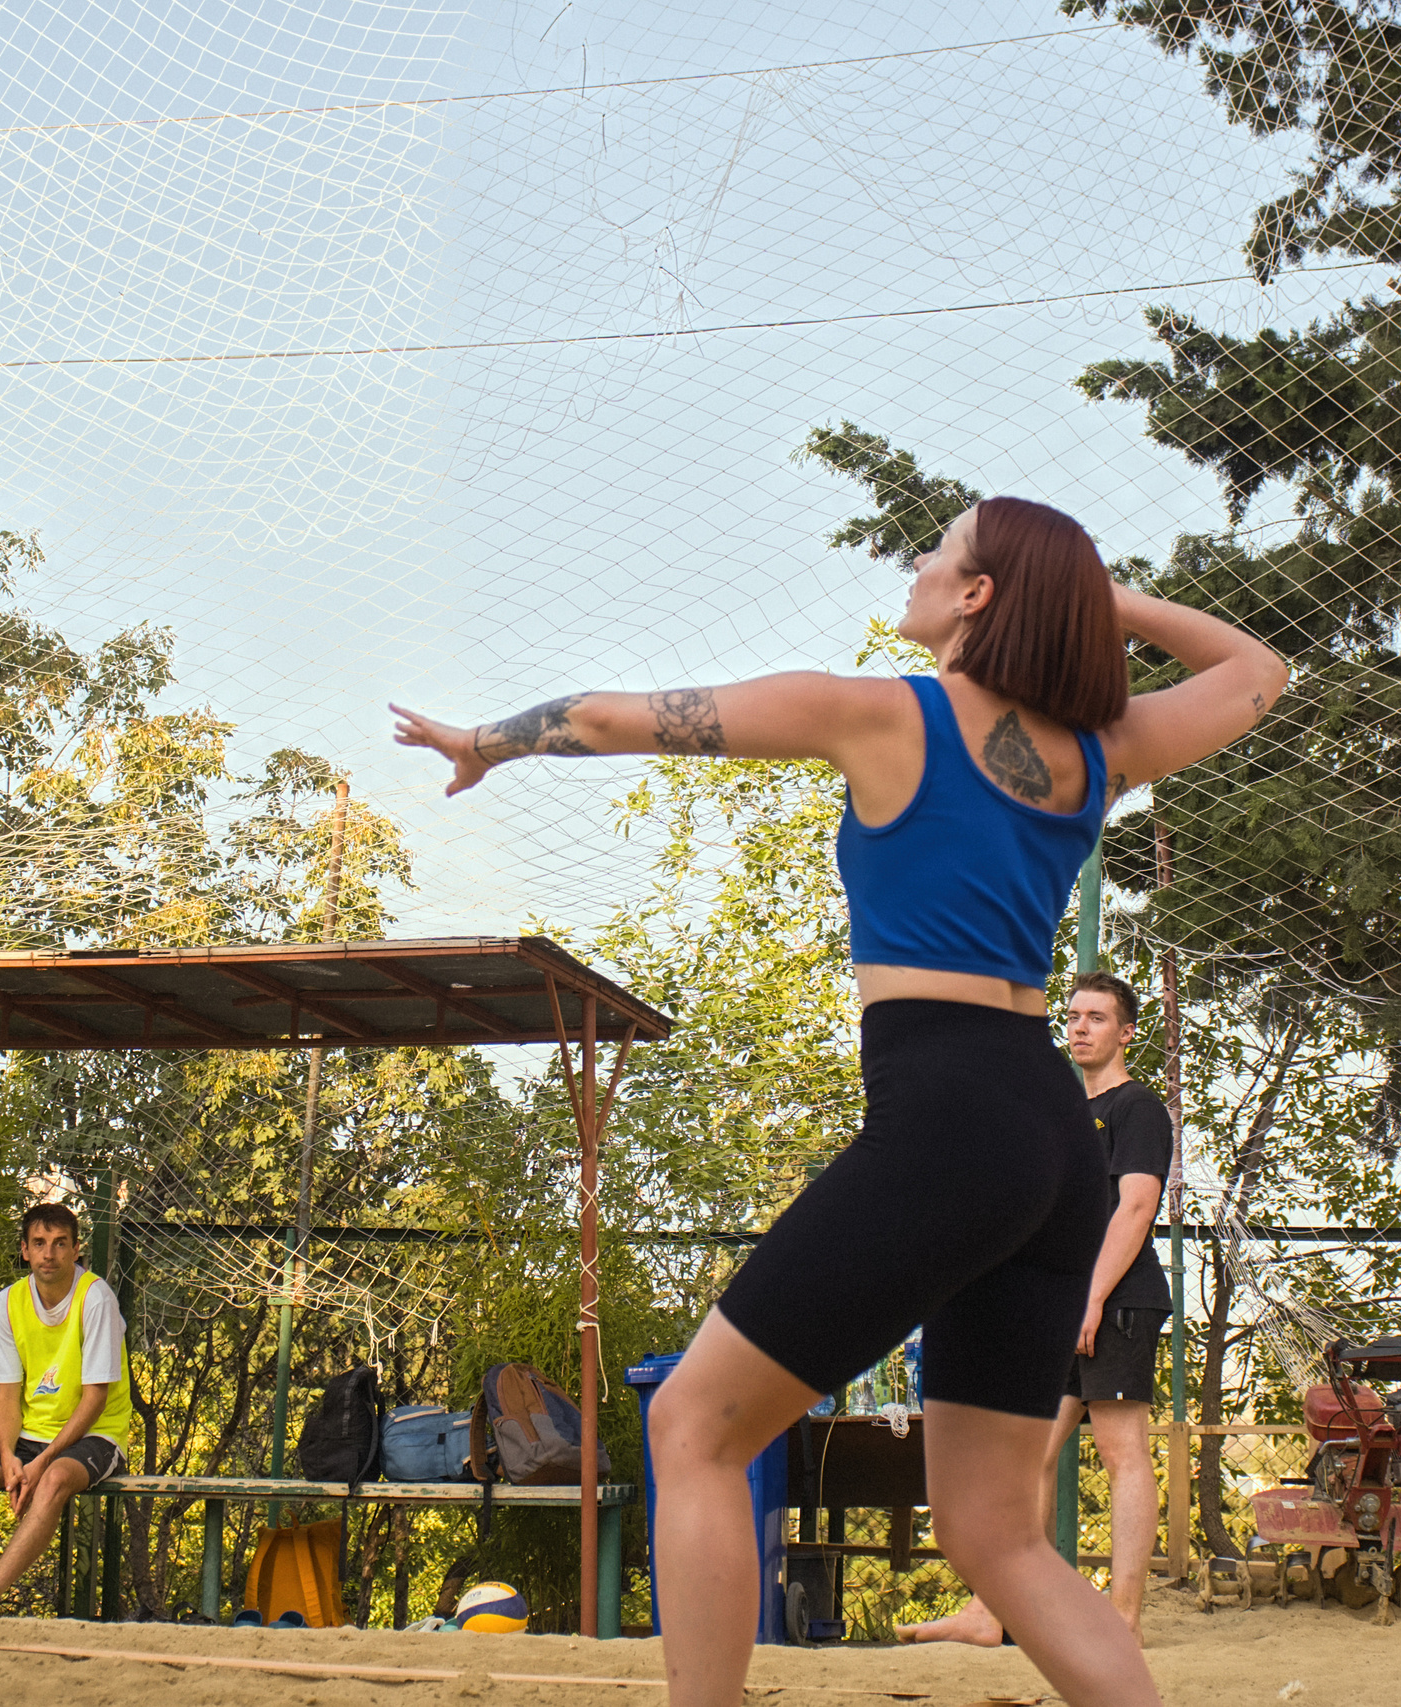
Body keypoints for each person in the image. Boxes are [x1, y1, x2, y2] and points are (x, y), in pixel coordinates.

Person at [394, 496, 1283, 1707]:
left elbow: (606, 719)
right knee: (995, 1533)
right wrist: (1095, 598)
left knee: (693, 1429)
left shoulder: (877, 713)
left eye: (942, 550)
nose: (919, 562)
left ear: (975, 595)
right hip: (1048, 1136)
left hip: (952, 1118)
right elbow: (1256, 672)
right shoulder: (1099, 751)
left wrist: (481, 743)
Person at [896, 971, 1172, 1645]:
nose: (1080, 1027)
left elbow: (1137, 1207)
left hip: (1117, 1300)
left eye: (1097, 1017)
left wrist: (1093, 1297)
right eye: (1073, 1016)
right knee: (1024, 1456)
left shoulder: (1138, 1107)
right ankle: (1000, 1611)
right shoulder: (1061, 1115)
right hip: (1059, 1306)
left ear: (1126, 1032)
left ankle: (1124, 1619)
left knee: (1121, 1450)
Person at [0, 1203, 132, 1616]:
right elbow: (8, 1394)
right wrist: (9, 1456)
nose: (49, 1253)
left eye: (60, 1243)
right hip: (30, 1434)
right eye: (39, 1243)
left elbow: (95, 1398)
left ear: (76, 1250)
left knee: (53, 1480)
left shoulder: (96, 1298)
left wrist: (42, 1462)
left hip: (95, 1434)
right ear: (25, 1250)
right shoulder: (7, 1303)